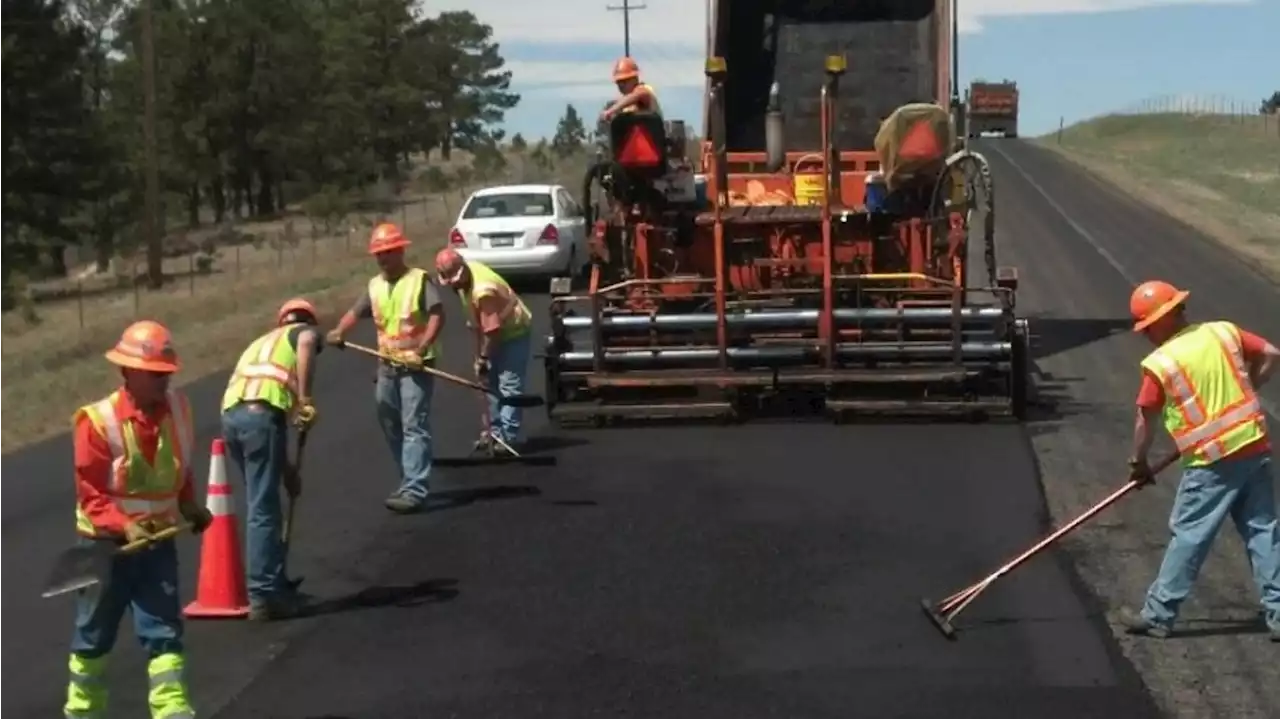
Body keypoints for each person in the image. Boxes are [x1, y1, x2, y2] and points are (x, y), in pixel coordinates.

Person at [66, 320, 212, 719]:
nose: (163, 381)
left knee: (164, 633)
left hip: (158, 543)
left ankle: (173, 712)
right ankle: (82, 713)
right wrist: (124, 525)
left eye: (166, 373)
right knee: (93, 637)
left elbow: (179, 467)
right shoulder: (96, 422)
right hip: (104, 548)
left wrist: (190, 506)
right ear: (127, 372)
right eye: (153, 374)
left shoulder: (180, 410)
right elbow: (91, 495)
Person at [1123, 279, 1280, 640]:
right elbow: (1271, 354)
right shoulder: (1222, 332)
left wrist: (1138, 463)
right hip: (1253, 446)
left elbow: (1144, 418)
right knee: (1262, 531)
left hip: (1213, 461)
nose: (1145, 334)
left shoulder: (1161, 362)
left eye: (1147, 326)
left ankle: (1159, 614)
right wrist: (1248, 391)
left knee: (1190, 535)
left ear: (1162, 320)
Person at [327, 222, 445, 513]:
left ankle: (415, 488)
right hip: (387, 364)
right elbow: (355, 312)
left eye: (389, 252)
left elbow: (436, 315)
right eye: (379, 254)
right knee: (389, 419)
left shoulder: (419, 280)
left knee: (414, 423)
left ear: (401, 251)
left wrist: (422, 349)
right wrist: (339, 331)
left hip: (416, 365)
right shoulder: (375, 286)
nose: (383, 258)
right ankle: (408, 477)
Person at [220, 297, 322, 620]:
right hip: (260, 416)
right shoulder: (304, 333)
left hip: (233, 419)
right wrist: (305, 399)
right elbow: (307, 342)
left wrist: (287, 471)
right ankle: (264, 594)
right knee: (264, 509)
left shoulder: (261, 342)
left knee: (262, 501)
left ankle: (273, 581)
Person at [434, 247, 532, 455]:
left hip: (514, 331)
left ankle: (508, 438)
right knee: (487, 384)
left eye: (454, 279)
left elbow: (493, 330)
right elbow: (476, 325)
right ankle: (493, 432)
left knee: (509, 385)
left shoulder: (483, 290)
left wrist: (484, 358)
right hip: (494, 331)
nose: (453, 285)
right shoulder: (465, 282)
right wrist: (478, 357)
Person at [599, 56, 662, 123]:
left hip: (652, 132)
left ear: (635, 79)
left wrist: (611, 111)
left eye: (624, 80)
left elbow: (639, 95)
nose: (621, 85)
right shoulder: (626, 106)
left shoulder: (644, 89)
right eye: (618, 82)